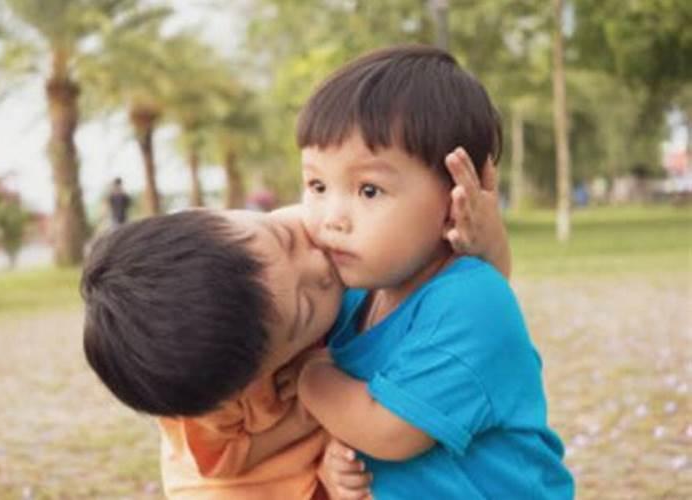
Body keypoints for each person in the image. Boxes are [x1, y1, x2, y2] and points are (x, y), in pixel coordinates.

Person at [80, 154, 505, 498]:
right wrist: (317, 408)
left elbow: (474, 320)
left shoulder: (298, 291)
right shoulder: (222, 411)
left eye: (284, 238)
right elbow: (233, 459)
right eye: (306, 305)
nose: (319, 264)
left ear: (207, 211)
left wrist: (488, 246)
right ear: (257, 378)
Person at [295, 45, 574, 499]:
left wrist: (308, 376)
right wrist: (333, 450)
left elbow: (386, 431)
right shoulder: (350, 301)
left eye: (368, 190)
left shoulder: (470, 300)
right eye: (317, 185)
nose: (332, 217)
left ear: (457, 195)